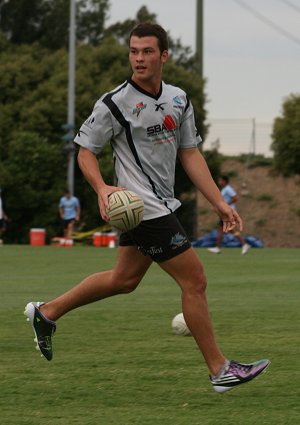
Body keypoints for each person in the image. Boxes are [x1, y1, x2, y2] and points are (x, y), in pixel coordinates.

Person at [25, 23, 269, 393]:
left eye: (147, 52)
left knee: (124, 280)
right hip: (141, 208)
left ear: (163, 56)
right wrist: (103, 188)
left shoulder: (179, 99)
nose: (139, 58)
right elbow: (86, 151)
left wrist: (219, 203)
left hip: (159, 204)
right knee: (195, 280)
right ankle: (220, 371)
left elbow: (190, 154)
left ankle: (47, 313)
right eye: (134, 51)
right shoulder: (114, 103)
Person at [208, 175, 251, 255]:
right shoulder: (224, 189)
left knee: (231, 230)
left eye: (220, 180)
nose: (219, 182)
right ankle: (218, 247)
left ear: (224, 181)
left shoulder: (228, 189)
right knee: (221, 230)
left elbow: (235, 198)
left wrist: (224, 205)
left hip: (228, 213)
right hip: (224, 213)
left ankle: (244, 244)